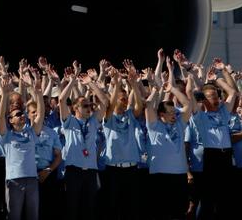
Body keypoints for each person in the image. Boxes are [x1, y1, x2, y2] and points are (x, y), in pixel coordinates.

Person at [58, 70, 108, 220]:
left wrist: (91, 83)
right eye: (84, 106)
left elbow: (105, 102)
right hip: (74, 171)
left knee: (90, 209)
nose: (88, 108)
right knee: (73, 209)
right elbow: (61, 100)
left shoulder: (92, 120)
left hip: (91, 171)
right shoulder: (69, 121)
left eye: (89, 106)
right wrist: (73, 81)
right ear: (75, 108)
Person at [189, 66, 236, 220]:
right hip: (212, 156)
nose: (216, 99)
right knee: (208, 197)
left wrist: (217, 78)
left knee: (226, 197)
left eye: (216, 96)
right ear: (203, 99)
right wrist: (192, 73)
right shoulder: (200, 116)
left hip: (226, 155)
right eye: (211, 96)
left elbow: (233, 93)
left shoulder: (223, 111)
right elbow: (192, 97)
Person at [0, 70, 45, 220]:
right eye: (17, 115)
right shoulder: (6, 135)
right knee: (14, 217)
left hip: (32, 179)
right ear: (10, 120)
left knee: (32, 216)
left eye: (22, 114)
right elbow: (0, 116)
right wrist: (4, 95)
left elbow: (40, 114)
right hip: (14, 181)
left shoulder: (30, 132)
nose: (22, 116)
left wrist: (38, 94)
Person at [101, 66, 144, 220]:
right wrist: (117, 83)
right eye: (123, 99)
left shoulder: (130, 114)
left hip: (131, 168)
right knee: (113, 207)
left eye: (126, 98)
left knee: (131, 208)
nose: (126, 101)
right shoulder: (108, 116)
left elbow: (139, 107)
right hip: (113, 170)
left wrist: (133, 85)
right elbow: (110, 105)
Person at [145, 81, 193, 220]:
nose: (174, 115)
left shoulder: (180, 124)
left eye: (174, 112)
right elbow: (148, 105)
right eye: (170, 113)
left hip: (179, 174)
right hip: (160, 175)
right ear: (161, 114)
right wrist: (154, 90)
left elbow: (188, 105)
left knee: (179, 212)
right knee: (161, 212)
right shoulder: (154, 126)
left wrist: (172, 89)